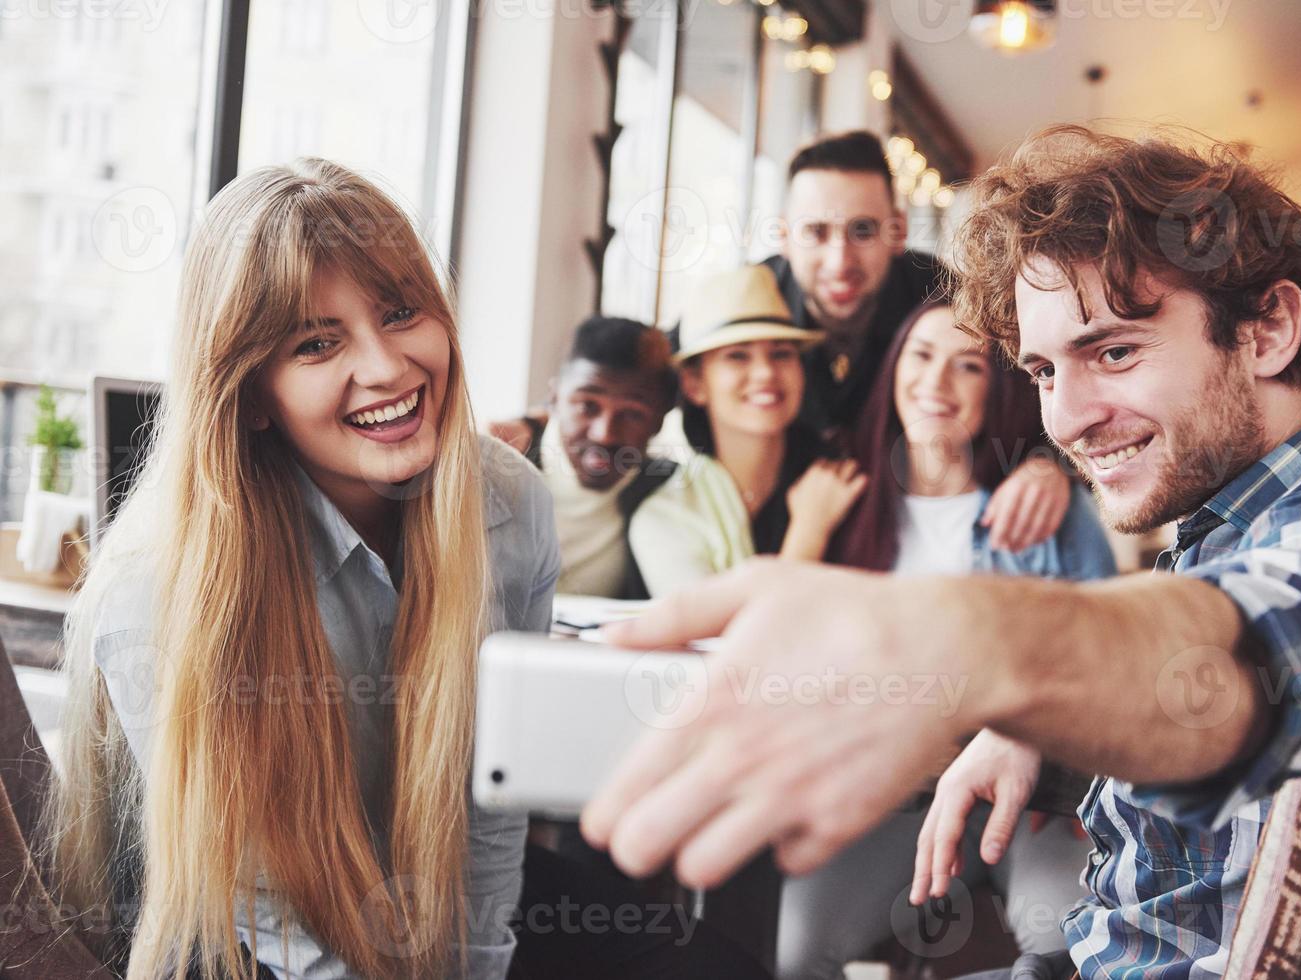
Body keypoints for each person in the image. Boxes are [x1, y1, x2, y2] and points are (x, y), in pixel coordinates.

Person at [580, 125, 1301, 980]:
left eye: (1113, 351)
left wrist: (981, 647)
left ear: (1267, 331)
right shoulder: (1231, 525)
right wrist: (1035, 728)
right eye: (1043, 372)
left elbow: (1257, 642)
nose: (1066, 420)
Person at [43, 159, 765, 980]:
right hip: (231, 928)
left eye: (400, 313)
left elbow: (489, 806)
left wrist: (484, 968)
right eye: (317, 343)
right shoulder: (160, 584)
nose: (387, 367)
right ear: (249, 395)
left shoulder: (508, 503)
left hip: (427, 879)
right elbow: (262, 901)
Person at [493, 130, 1073, 554]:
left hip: (899, 526)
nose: (839, 261)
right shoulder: (752, 299)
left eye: (862, 232)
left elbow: (1038, 379)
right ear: (783, 237)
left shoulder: (944, 297)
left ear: (897, 231)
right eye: (817, 234)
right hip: (762, 521)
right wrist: (540, 422)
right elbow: (651, 374)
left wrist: (1048, 464)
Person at [777, 299, 1116, 978]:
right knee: (792, 950)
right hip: (891, 802)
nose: (936, 383)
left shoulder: (1044, 508)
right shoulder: (845, 505)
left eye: (967, 366)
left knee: (1071, 952)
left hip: (1034, 805)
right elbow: (785, 652)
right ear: (892, 369)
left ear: (995, 389)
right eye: (921, 356)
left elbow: (1109, 659)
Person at [629, 265, 865, 598]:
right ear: (694, 383)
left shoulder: (842, 482)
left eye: (781, 354)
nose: (765, 373)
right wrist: (809, 530)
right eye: (737, 356)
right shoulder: (667, 516)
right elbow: (722, 637)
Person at [522, 315, 678, 598]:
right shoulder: (498, 471)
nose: (605, 434)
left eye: (632, 414)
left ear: (658, 422)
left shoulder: (663, 491)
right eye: (587, 406)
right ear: (555, 399)